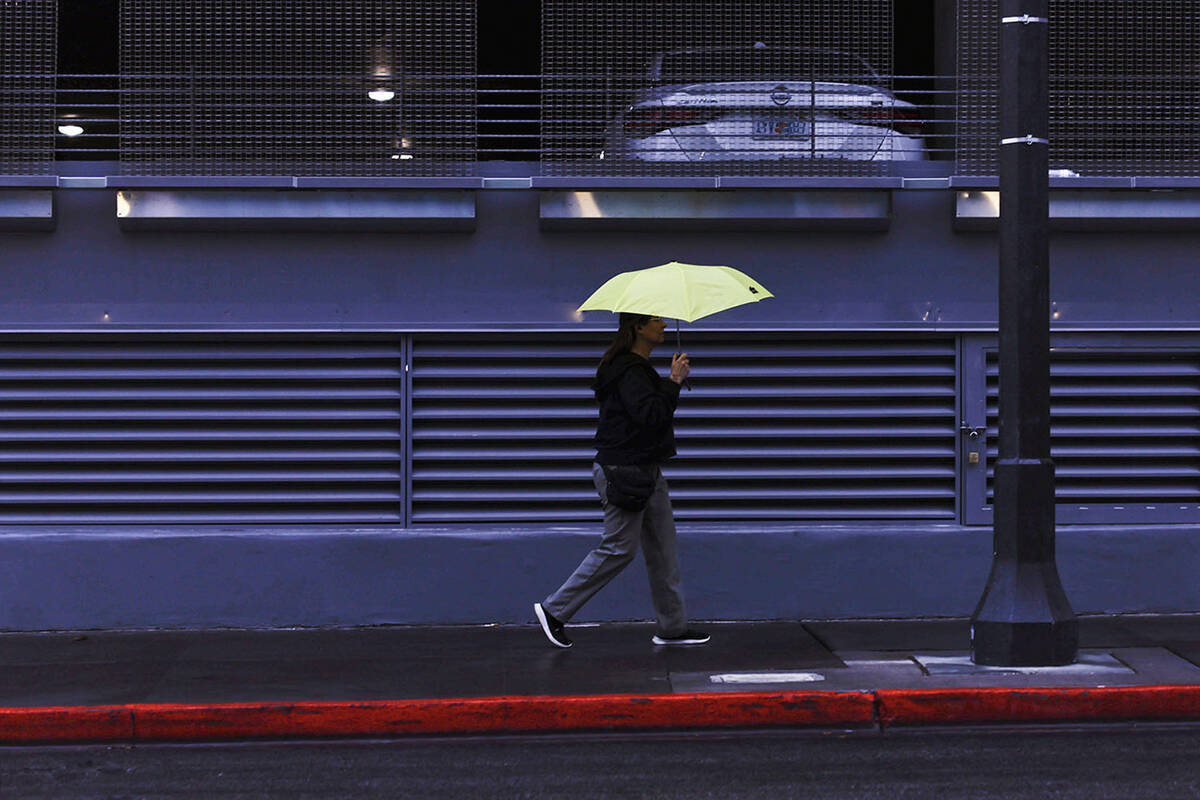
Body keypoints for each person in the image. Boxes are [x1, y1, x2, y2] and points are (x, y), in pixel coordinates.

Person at [534, 312, 710, 649]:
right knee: (618, 548)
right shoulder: (629, 370)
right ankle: (554, 610)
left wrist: (668, 383)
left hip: (645, 469)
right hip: (624, 470)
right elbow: (650, 417)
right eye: (656, 320)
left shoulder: (634, 369)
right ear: (638, 328)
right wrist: (673, 381)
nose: (663, 325)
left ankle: (672, 627)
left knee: (663, 548)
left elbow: (645, 411)